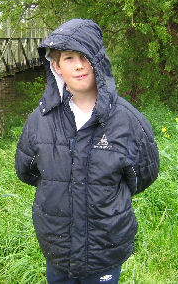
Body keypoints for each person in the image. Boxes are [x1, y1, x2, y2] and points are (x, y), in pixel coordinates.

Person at [15, 19, 159, 283]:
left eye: (85, 56)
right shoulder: (40, 120)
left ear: (99, 60)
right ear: (56, 65)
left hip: (105, 250)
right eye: (69, 58)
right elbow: (27, 171)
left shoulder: (129, 121)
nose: (79, 65)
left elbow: (143, 176)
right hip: (57, 250)